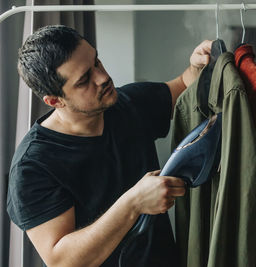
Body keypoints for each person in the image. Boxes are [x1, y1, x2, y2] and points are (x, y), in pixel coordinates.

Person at [7, 25, 212, 267]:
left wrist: (196, 67)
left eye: (97, 61)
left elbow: (182, 87)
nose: (103, 77)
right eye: (84, 80)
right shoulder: (33, 166)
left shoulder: (127, 105)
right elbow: (62, 261)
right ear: (55, 101)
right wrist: (133, 203)